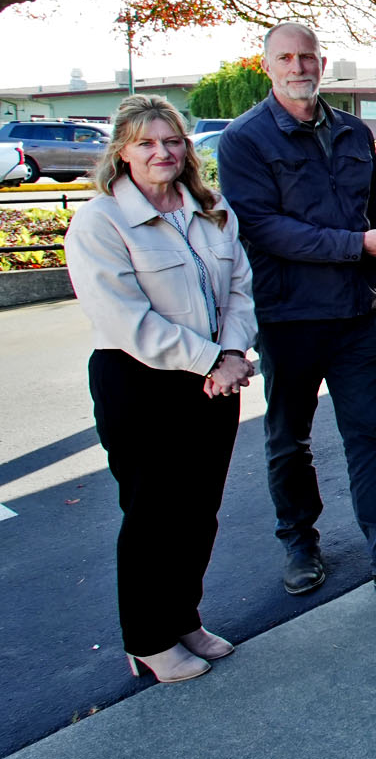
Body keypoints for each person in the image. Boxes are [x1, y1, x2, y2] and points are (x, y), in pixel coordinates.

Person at [219, 22, 376, 600]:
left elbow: (375, 211)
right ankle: (299, 544)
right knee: (289, 440)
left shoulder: (353, 132)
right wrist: (357, 247)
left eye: (308, 57)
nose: (298, 67)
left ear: (322, 65)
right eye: (286, 58)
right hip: (288, 317)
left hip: (354, 316)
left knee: (370, 435)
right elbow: (264, 228)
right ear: (267, 65)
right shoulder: (244, 139)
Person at [66, 95, 256, 682]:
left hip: (214, 383)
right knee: (154, 515)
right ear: (122, 151)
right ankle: (148, 639)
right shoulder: (100, 220)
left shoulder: (210, 207)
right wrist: (211, 359)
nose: (162, 152)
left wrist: (231, 354)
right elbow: (126, 319)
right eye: (146, 143)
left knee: (198, 512)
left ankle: (182, 618)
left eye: (172, 141)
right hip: (140, 383)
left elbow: (240, 289)